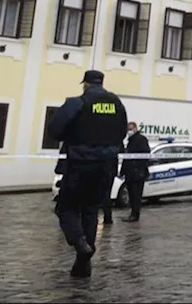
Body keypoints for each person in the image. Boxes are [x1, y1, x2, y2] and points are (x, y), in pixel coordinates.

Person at [48, 70, 128, 279]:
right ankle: (83, 265)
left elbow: (55, 130)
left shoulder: (78, 103)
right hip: (106, 167)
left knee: (66, 208)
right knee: (91, 211)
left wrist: (73, 136)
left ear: (85, 85)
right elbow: (121, 133)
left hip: (80, 164)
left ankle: (79, 242)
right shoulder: (117, 104)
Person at [121, 122, 151, 222]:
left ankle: (135, 214)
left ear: (134, 129)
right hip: (130, 173)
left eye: (130, 129)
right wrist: (123, 171)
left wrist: (139, 168)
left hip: (137, 173)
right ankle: (133, 213)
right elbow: (127, 157)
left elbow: (145, 155)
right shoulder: (131, 141)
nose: (128, 132)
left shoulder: (141, 139)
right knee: (131, 194)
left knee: (136, 195)